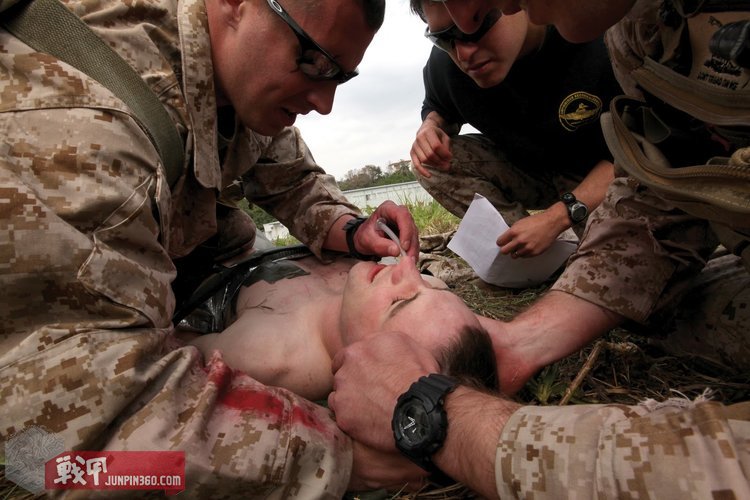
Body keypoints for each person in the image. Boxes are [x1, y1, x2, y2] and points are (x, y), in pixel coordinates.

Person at [328, 0, 750, 498]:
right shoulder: (646, 30)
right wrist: (526, 338)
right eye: (446, 34)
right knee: (658, 313)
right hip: (554, 183)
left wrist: (449, 425)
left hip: (585, 183)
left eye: (483, 13)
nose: (464, 40)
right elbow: (657, 186)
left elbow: (712, 472)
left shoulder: (602, 41)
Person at [0, 0, 420, 496]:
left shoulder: (238, 74)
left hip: (183, 261)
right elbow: (67, 437)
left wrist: (350, 228)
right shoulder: (85, 129)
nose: (325, 103)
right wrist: (333, 459)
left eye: (341, 78)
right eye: (314, 63)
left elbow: (289, 176)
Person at [409, 2, 621, 258]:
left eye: (477, 25)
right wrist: (430, 126)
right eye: (444, 38)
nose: (464, 53)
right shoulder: (447, 65)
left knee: (619, 263)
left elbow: (641, 151)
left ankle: (558, 235)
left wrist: (557, 217)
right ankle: (523, 249)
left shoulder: (596, 38)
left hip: (602, 173)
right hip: (532, 169)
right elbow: (437, 105)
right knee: (430, 162)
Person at [182, 250, 498, 402]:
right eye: (433, 289)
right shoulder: (416, 288)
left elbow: (178, 350)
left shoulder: (270, 357)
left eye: (397, 303)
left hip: (212, 266)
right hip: (271, 248)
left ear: (367, 364)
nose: (409, 269)